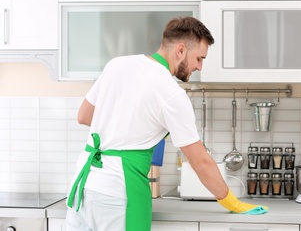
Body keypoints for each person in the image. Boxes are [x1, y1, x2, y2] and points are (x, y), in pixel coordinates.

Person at [66, 16, 268, 231]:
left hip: (84, 186)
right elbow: (200, 161)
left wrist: (132, 128)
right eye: (199, 58)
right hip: (118, 193)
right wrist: (232, 203)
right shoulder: (171, 94)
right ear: (180, 50)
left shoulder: (117, 65)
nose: (199, 67)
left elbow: (85, 116)